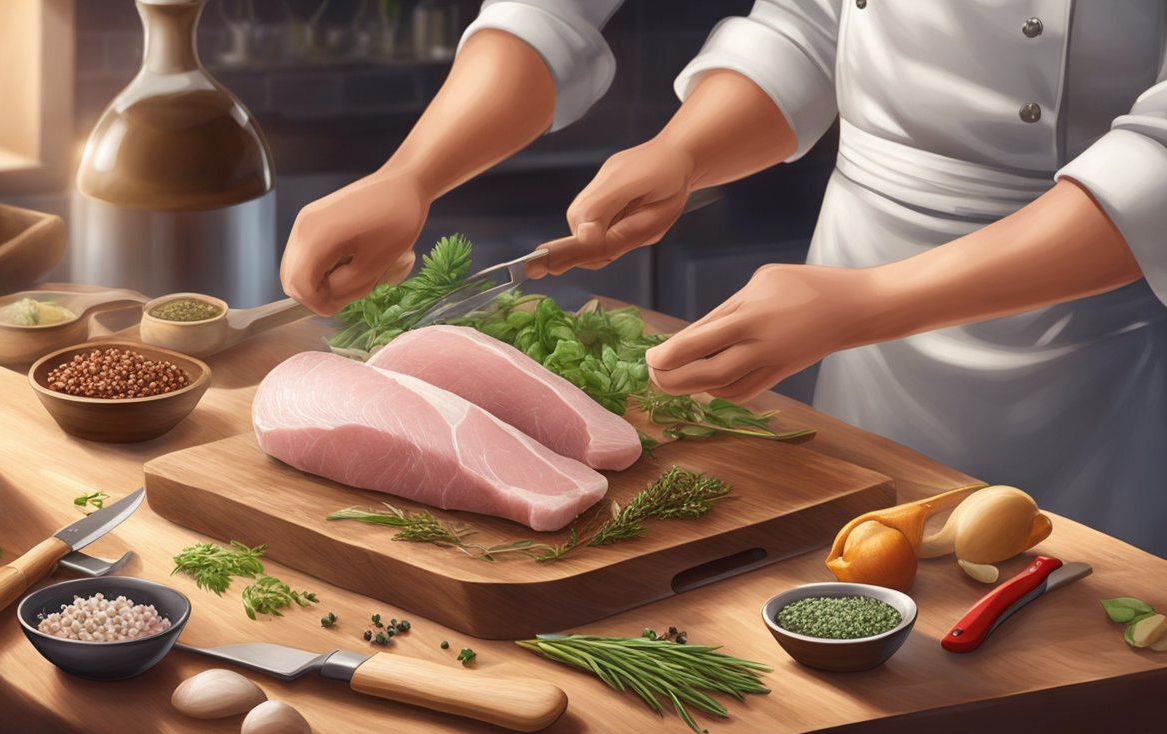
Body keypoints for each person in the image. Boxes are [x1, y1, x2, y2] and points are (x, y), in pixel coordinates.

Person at [279, 1, 1167, 557]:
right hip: (857, 271)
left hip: (1093, 318)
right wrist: (684, 149)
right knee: (871, 579)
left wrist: (869, 303)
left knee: (1079, 619)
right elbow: (814, 27)